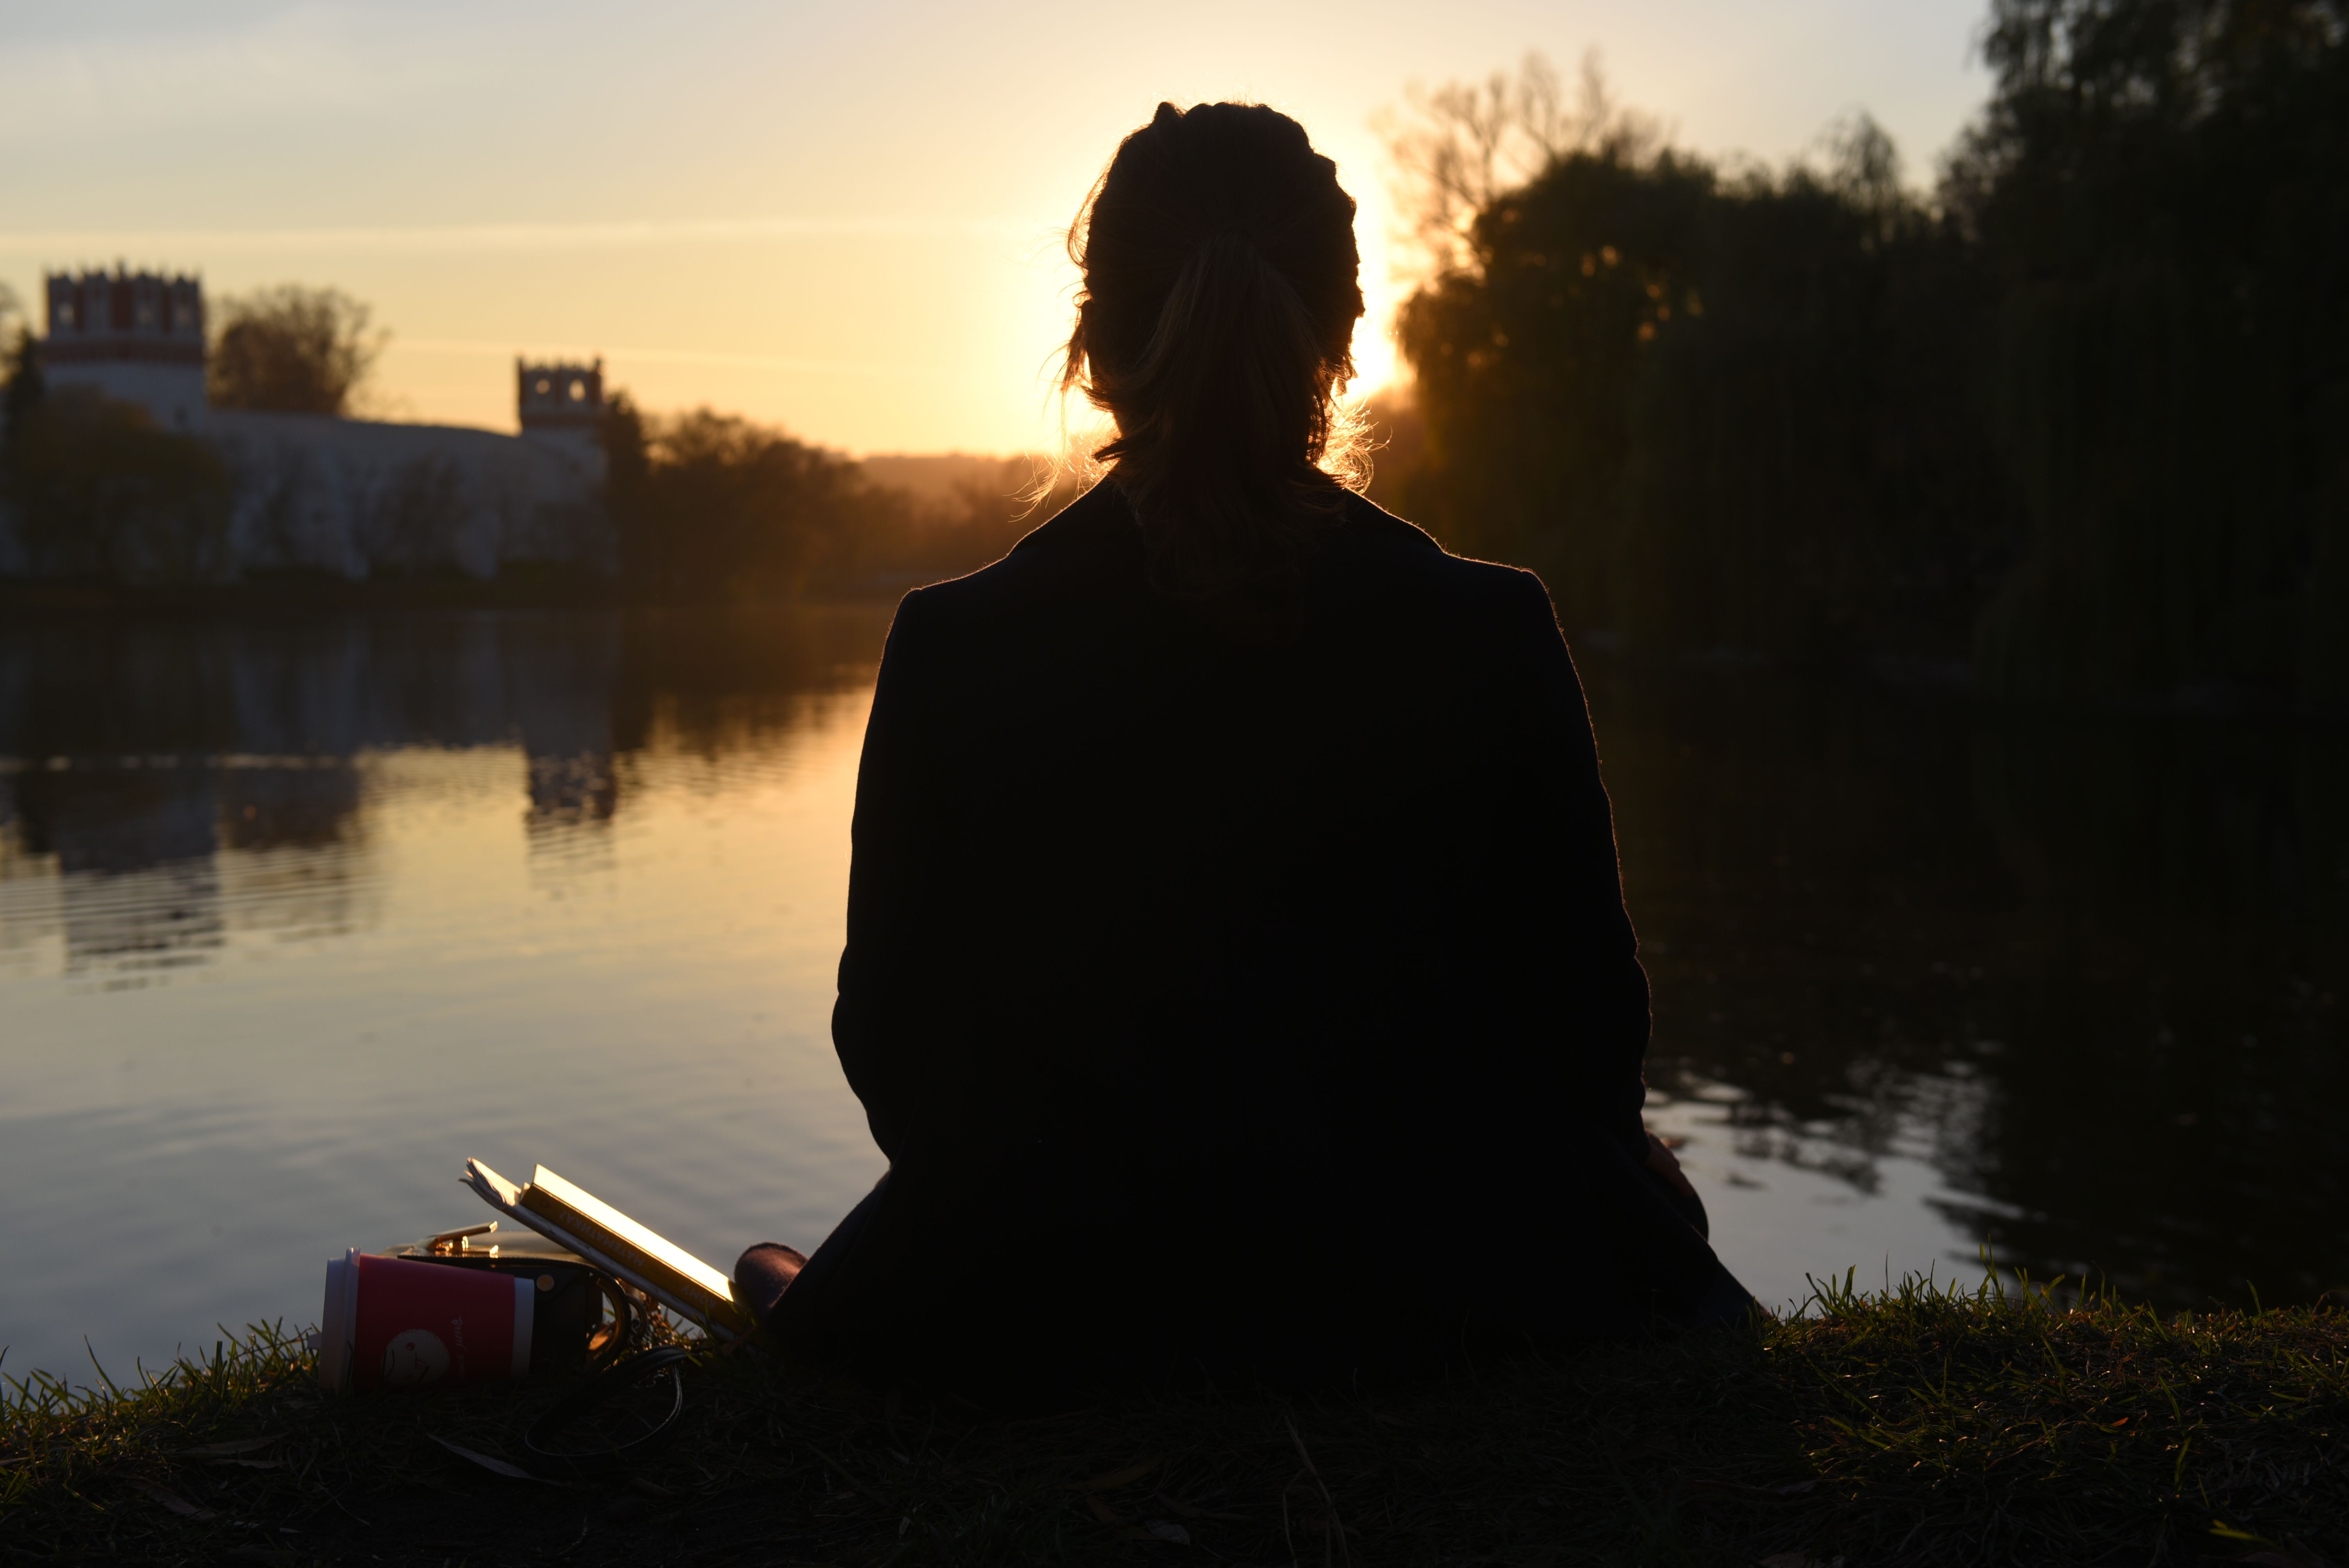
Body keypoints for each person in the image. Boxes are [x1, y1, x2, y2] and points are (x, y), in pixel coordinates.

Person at [734, 100, 1752, 1401]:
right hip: (1463, 1294)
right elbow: (1593, 1043)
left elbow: (897, 1054)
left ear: (1094, 344)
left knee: (795, 1285)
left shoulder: (953, 648)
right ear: (1342, 342)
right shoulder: (1496, 631)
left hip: (1052, 1310)